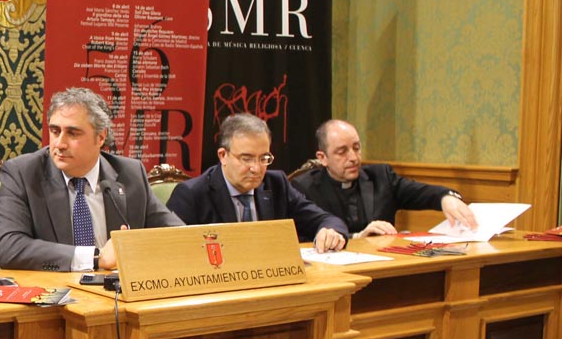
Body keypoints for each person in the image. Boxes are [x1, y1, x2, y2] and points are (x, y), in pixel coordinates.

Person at [0, 87, 185, 271]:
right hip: (55, 295)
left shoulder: (130, 174)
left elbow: (177, 236)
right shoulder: (23, 173)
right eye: (55, 131)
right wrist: (96, 258)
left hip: (116, 295)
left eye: (72, 133)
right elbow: (9, 247)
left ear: (100, 137)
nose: (59, 144)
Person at [167, 113, 348, 252]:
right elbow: (173, 251)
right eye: (246, 158)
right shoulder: (192, 194)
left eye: (264, 158)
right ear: (223, 155)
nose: (256, 168)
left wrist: (330, 231)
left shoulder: (276, 184)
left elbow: (326, 219)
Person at [291, 119, 478, 237]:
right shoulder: (303, 188)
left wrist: (446, 197)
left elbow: (423, 193)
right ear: (323, 158)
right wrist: (357, 238)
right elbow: (304, 239)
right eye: (342, 152)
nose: (354, 158)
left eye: (356, 148)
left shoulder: (381, 177)